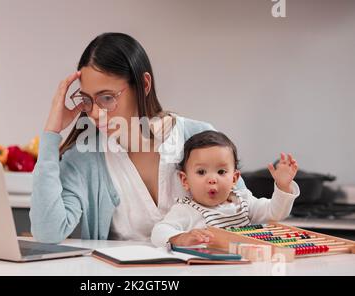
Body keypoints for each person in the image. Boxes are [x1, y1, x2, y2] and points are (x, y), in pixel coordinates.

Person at [30, 32, 245, 243]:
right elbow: (48, 232)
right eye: (87, 100)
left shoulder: (199, 137)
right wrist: (52, 132)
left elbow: (245, 212)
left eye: (106, 98)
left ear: (144, 85)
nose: (94, 113)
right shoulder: (84, 158)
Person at [151, 130, 300, 247]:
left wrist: (283, 186)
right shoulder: (186, 210)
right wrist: (181, 238)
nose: (212, 179)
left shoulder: (244, 202)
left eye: (221, 172)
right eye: (201, 172)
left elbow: (275, 213)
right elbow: (159, 232)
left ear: (234, 179)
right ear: (185, 180)